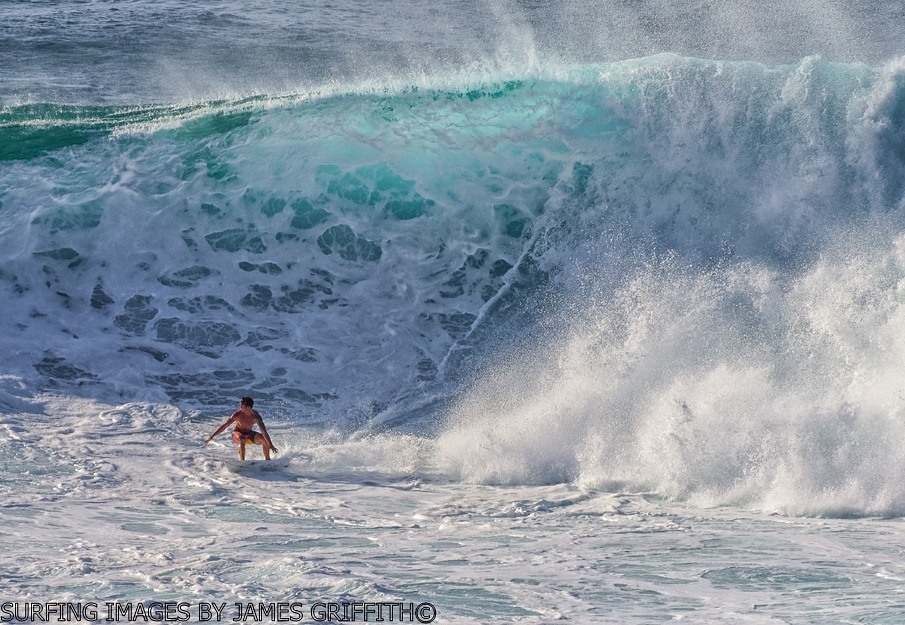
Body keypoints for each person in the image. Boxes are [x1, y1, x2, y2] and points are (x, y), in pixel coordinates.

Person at [205, 397, 278, 460]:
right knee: (242, 438)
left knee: (264, 439)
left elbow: (264, 432)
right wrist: (212, 436)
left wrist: (270, 444)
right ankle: (242, 462)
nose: (240, 407)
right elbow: (224, 426)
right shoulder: (237, 415)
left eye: (242, 406)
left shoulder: (256, 417)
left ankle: (267, 460)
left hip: (248, 434)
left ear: (248, 407)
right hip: (236, 433)